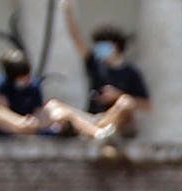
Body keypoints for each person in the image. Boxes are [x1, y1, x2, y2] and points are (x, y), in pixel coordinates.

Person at [43, 8, 149, 151]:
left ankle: (94, 131)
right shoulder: (95, 65)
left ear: (115, 45)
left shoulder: (131, 72)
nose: (98, 49)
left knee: (126, 103)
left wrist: (117, 96)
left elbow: (147, 105)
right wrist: (67, 13)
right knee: (53, 105)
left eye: (102, 45)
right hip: (93, 119)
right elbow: (77, 39)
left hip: (116, 120)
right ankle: (98, 134)